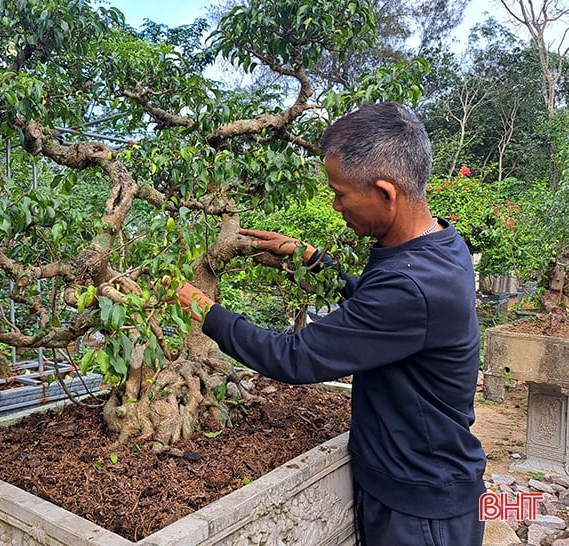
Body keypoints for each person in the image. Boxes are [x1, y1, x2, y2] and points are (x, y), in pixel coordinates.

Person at [176, 102, 486, 545]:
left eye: (340, 193)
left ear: (386, 192)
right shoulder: (438, 244)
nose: (336, 205)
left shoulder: (413, 285)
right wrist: (313, 261)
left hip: (420, 510)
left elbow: (294, 359)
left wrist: (204, 310)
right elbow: (378, 308)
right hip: (415, 485)